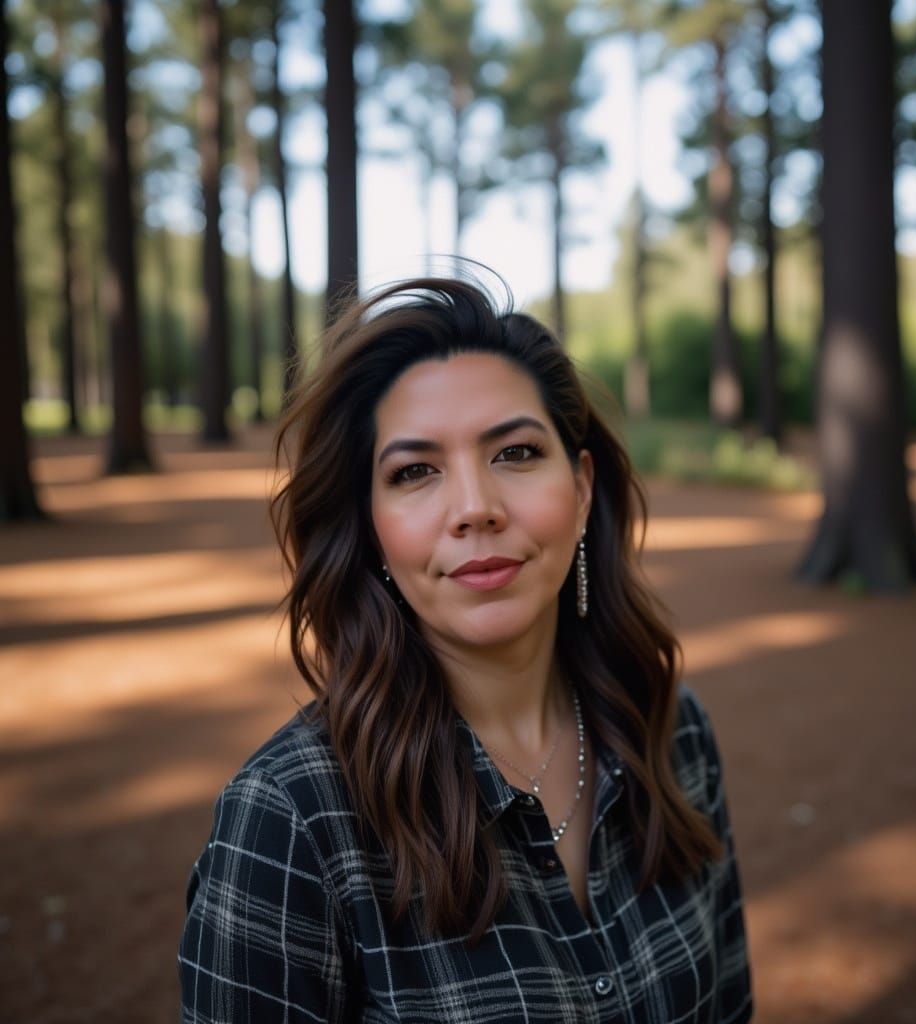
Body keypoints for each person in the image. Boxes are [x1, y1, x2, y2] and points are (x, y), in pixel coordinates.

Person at [178, 274, 753, 1023]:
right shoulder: (291, 821)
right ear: (371, 522)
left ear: (580, 491)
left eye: (515, 453)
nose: (475, 508)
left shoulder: (673, 731)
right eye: (415, 472)